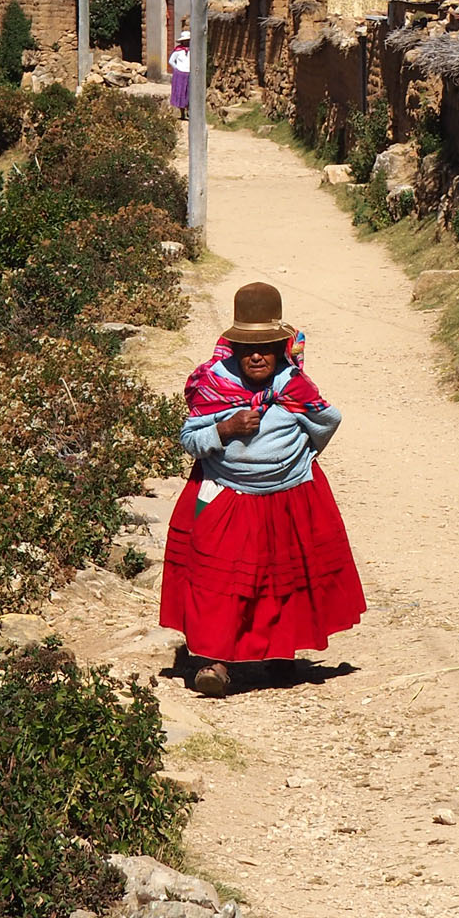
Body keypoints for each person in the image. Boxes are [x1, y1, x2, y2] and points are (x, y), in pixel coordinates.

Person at [159, 281, 366, 696]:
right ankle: (214, 662)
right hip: (226, 492)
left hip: (289, 496)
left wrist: (297, 460)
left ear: (280, 348)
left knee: (283, 579)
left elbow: (326, 422)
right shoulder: (214, 385)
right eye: (247, 348)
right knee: (218, 580)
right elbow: (189, 439)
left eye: (267, 347)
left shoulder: (294, 387)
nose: (257, 356)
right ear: (234, 348)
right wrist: (225, 429)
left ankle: (280, 657)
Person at [168, 28, 192, 119]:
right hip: (180, 74)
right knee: (181, 92)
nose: (187, 42)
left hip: (189, 74)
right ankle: (182, 113)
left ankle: (189, 111)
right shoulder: (177, 51)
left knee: (189, 92)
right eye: (185, 41)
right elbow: (171, 61)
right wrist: (177, 69)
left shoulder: (193, 50)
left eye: (188, 40)